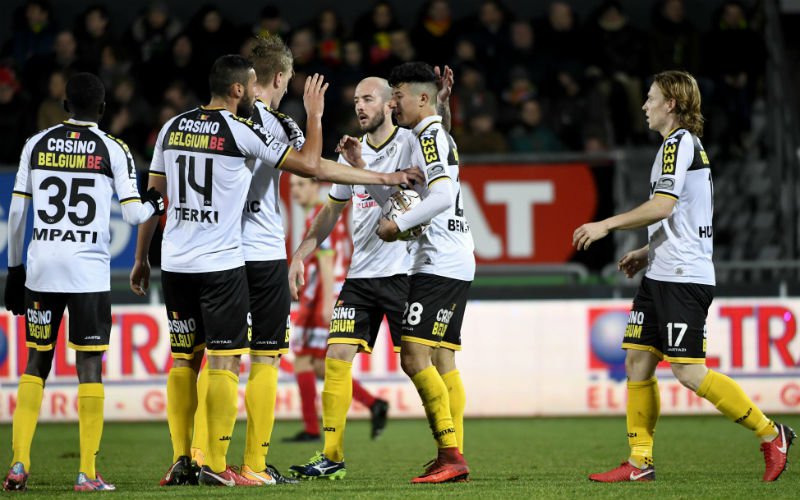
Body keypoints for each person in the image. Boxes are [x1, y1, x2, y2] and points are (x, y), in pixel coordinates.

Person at [130, 54, 421, 488]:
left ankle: (184, 458)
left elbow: (152, 195)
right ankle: (242, 464)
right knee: (251, 358)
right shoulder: (261, 127)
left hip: (176, 259)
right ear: (260, 83)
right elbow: (313, 165)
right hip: (242, 257)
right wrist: (373, 163)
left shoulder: (172, 127)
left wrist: (141, 257)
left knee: (187, 359)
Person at [573, 70, 794, 483]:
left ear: (670, 104)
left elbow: (662, 207)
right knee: (638, 360)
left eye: (651, 98)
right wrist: (645, 251)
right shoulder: (675, 148)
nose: (644, 106)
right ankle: (640, 462)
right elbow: (684, 216)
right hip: (662, 271)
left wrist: (606, 224)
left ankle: (771, 433)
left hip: (682, 276)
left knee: (688, 371)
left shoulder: (679, 144)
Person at [290, 63, 471, 484]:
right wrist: (302, 248)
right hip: (361, 275)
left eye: (368, 98)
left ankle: (451, 450)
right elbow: (333, 210)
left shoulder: (410, 141)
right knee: (336, 356)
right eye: (355, 100)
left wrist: (442, 105)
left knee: (431, 359)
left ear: (392, 102)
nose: (360, 106)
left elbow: (429, 164)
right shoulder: (349, 153)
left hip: (405, 270)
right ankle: (331, 455)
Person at [3, 72, 165, 492]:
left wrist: (16, 270)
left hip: (41, 268)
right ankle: (87, 473)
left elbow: (18, 215)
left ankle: (18, 465)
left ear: (65, 105)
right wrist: (157, 202)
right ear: (103, 108)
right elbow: (132, 214)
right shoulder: (113, 148)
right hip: (87, 273)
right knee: (88, 365)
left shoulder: (35, 144)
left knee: (36, 362)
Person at [285, 171, 391, 445]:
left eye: (300, 185)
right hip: (324, 297)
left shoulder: (319, 217)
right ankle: (372, 403)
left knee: (304, 362)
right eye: (293, 186)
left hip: (321, 298)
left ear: (314, 186)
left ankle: (311, 428)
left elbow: (327, 262)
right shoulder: (328, 217)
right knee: (319, 366)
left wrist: (325, 305)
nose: (295, 191)